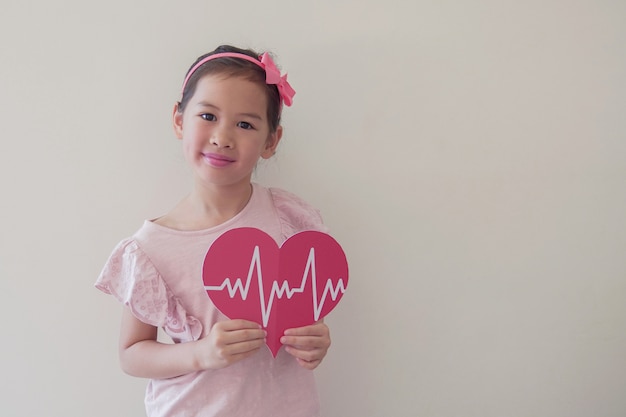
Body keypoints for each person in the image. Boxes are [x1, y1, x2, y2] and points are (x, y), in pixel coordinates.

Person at [95, 45, 331, 417]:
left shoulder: (287, 219)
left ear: (271, 141)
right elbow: (131, 354)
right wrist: (202, 353)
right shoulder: (150, 250)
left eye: (245, 124)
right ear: (178, 120)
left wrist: (315, 339)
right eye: (208, 115)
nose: (223, 136)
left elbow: (304, 309)